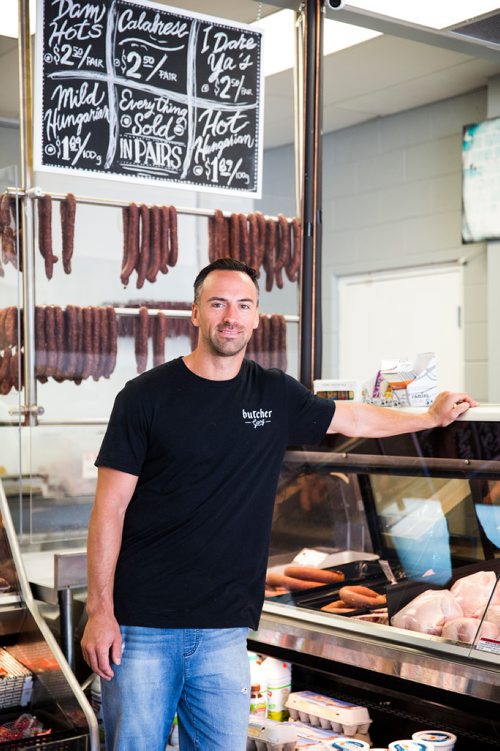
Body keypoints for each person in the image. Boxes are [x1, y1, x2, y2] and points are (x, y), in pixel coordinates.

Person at [81, 257, 476, 751]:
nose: (232, 316)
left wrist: (429, 417)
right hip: (142, 627)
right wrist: (101, 611)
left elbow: (352, 419)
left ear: (256, 317)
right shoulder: (145, 397)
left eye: (243, 305)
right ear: (196, 314)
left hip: (223, 630)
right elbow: (108, 510)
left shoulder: (271, 392)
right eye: (219, 303)